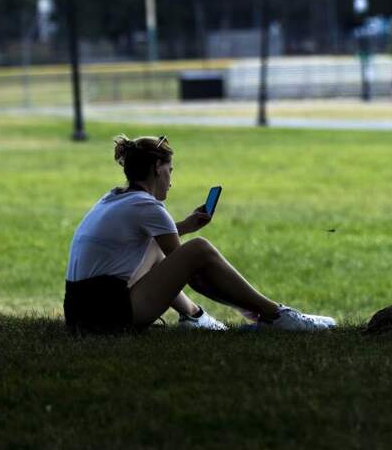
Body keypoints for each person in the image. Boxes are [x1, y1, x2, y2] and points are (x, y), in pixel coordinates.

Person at [64, 134, 337, 335]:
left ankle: (194, 316)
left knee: (160, 248)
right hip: (108, 315)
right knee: (199, 249)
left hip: (80, 312)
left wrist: (184, 226)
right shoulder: (148, 207)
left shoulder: (114, 199)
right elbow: (191, 270)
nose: (171, 180)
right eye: (170, 171)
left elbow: (152, 250)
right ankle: (276, 315)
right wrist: (244, 306)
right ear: (158, 168)